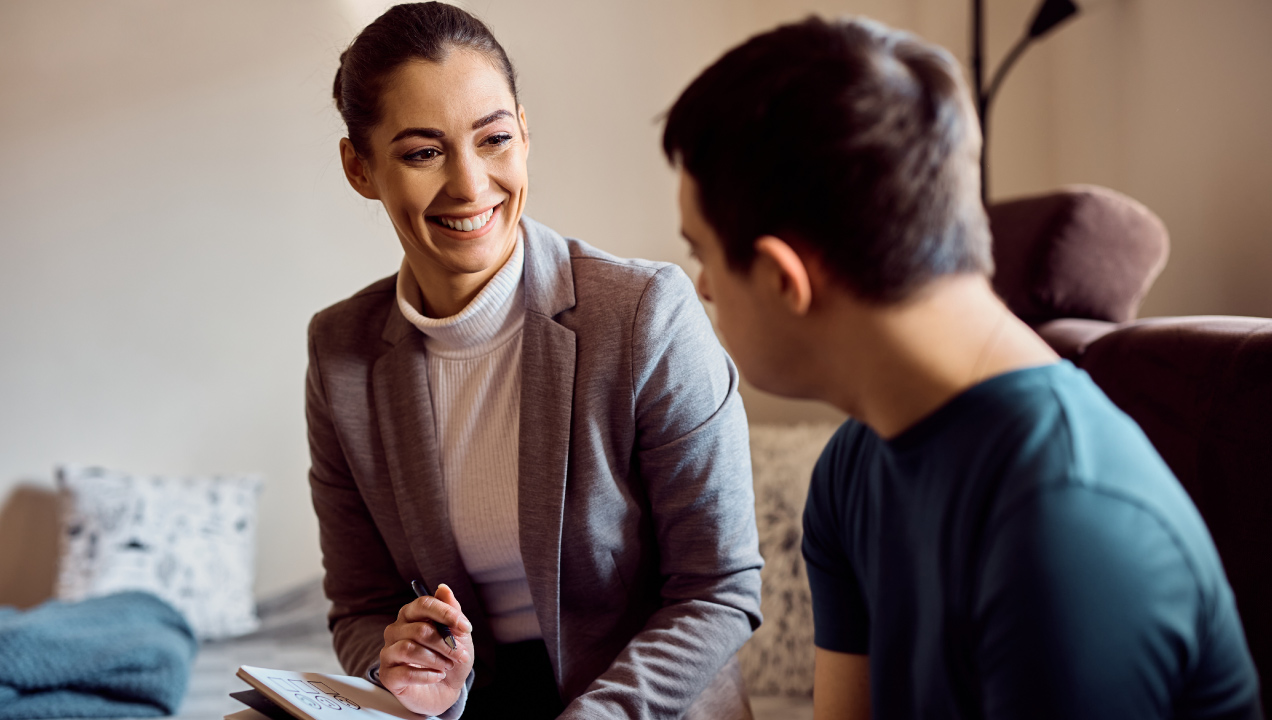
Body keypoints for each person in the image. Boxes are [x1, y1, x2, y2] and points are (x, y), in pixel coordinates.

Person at [662, 15, 1263, 720]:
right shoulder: (855, 465)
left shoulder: (1067, 522)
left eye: (701, 252)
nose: (699, 286)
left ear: (782, 277)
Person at [308, 3, 762, 719]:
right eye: (424, 152)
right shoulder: (340, 353)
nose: (469, 183)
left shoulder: (645, 315)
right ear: (359, 168)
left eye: (493, 139)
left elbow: (719, 589)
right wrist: (403, 661)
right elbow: (361, 610)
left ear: (524, 132)